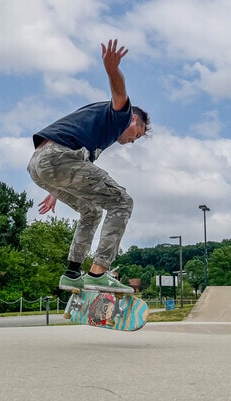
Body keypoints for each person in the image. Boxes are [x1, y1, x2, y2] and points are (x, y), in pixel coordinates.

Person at [27, 39, 151, 294]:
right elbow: (119, 93)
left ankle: (73, 273)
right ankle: (99, 273)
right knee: (122, 202)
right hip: (59, 159)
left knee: (92, 210)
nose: (130, 141)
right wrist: (112, 69)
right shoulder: (121, 115)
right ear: (135, 120)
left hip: (41, 166)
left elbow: (77, 166)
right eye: (136, 135)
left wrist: (53, 192)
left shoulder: (98, 134)